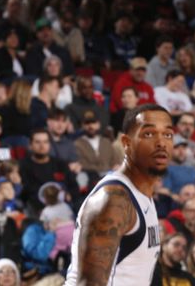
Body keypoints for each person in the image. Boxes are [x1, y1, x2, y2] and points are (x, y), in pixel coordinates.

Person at [65, 104, 174, 286]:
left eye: (168, 134)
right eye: (148, 134)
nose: (161, 143)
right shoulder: (114, 199)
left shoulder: (143, 193)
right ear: (126, 143)